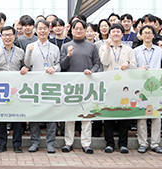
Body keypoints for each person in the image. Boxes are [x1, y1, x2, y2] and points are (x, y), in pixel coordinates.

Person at [60, 20, 101, 154]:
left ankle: (86, 143)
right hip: (71, 86)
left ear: (85, 30)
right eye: (76, 28)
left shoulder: (92, 46)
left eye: (81, 29)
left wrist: (92, 71)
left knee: (86, 115)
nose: (78, 31)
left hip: (87, 85)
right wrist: (68, 55)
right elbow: (62, 66)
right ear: (71, 30)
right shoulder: (66, 46)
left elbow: (97, 63)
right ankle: (68, 142)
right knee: (70, 115)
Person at [24, 19, 61, 153]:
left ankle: (50, 143)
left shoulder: (55, 48)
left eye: (45, 28)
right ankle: (35, 142)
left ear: (49, 30)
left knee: (51, 115)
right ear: (36, 30)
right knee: (35, 115)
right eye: (40, 28)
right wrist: (29, 52)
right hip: (35, 86)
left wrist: (54, 68)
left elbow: (59, 65)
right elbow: (27, 64)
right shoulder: (31, 46)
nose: (42, 31)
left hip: (50, 86)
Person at [99, 23, 137, 154]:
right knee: (108, 115)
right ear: (109, 34)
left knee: (124, 115)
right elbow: (105, 62)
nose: (115, 34)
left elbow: (134, 66)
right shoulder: (103, 48)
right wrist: (108, 47)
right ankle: (109, 143)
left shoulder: (128, 50)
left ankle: (123, 144)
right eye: (113, 31)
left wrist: (128, 63)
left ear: (122, 34)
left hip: (124, 86)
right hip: (109, 86)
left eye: (118, 32)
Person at [133, 25, 162, 154]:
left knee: (156, 115)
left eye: (150, 33)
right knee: (142, 115)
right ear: (141, 35)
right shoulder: (136, 51)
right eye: (145, 33)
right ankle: (142, 143)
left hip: (156, 86)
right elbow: (132, 67)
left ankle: (155, 143)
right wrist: (138, 69)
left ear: (154, 35)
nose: (147, 35)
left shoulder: (159, 50)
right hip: (141, 85)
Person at [0, 26, 28, 153]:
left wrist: (25, 68)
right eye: (4, 35)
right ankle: (2, 144)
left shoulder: (21, 52)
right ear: (1, 37)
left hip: (16, 88)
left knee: (17, 117)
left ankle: (17, 144)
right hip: (1, 88)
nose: (7, 37)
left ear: (15, 36)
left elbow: (25, 66)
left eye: (10, 35)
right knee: (1, 118)